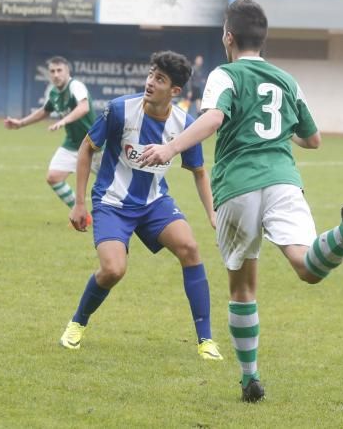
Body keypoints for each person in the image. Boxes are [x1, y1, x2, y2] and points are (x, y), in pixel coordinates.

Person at [138, 0, 343, 403]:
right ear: (263, 38)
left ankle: (249, 377)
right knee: (307, 266)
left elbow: (214, 118)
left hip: (237, 187)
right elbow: (314, 139)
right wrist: (275, 132)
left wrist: (169, 149)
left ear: (228, 36)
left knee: (242, 288)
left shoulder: (225, 74)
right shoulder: (287, 79)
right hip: (284, 181)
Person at [60, 51, 223, 362]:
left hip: (154, 203)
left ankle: (206, 341)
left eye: (159, 79)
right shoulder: (120, 110)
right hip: (112, 202)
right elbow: (86, 149)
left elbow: (199, 172)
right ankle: (77, 323)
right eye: (151, 74)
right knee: (113, 270)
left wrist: (212, 213)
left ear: (175, 91)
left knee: (190, 248)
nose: (150, 82)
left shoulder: (185, 125)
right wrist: (79, 203)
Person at [4, 57, 96, 211]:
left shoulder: (76, 86)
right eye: (52, 71)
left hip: (95, 144)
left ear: (67, 71)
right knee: (54, 177)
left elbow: (84, 107)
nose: (56, 74)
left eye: (59, 70)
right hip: (73, 144)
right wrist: (20, 124)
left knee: (113, 184)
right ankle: (81, 213)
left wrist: (64, 121)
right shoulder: (54, 92)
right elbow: (44, 111)